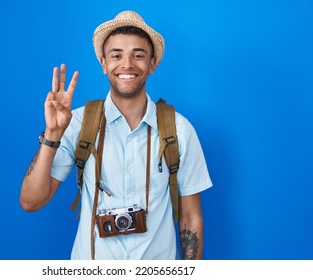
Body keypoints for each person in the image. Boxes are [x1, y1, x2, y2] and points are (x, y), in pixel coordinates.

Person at [20, 10, 212, 260]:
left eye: (138, 55)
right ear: (103, 63)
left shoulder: (179, 129)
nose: (127, 65)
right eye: (116, 55)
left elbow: (190, 217)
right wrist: (53, 134)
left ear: (152, 64)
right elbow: (31, 202)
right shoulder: (76, 124)